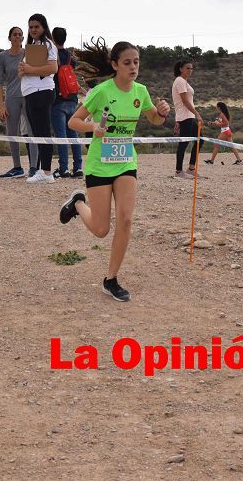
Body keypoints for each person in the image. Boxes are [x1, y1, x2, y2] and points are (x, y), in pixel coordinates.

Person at [60, 41, 171, 302]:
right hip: (99, 164)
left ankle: (111, 279)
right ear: (115, 65)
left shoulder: (141, 91)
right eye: (127, 63)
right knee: (100, 229)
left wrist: (162, 114)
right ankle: (78, 204)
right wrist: (93, 129)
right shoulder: (101, 92)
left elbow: (153, 118)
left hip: (125, 163)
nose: (133, 67)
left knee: (126, 219)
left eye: (136, 62)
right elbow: (73, 121)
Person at [20, 13, 59, 184]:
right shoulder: (32, 45)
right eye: (31, 27)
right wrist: (22, 70)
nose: (33, 30)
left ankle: (47, 172)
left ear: (43, 27)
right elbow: (24, 69)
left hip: (41, 91)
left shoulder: (48, 44)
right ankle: (44, 170)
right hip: (30, 92)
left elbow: (53, 67)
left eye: (36, 26)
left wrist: (28, 69)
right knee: (36, 132)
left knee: (43, 131)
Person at [0, 26, 37, 178]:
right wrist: (0, 104)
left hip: (29, 95)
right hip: (11, 97)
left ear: (23, 38)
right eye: (14, 34)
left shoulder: (29, 53)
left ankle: (33, 168)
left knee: (32, 131)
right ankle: (17, 167)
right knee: (12, 132)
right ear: (9, 37)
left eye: (20, 35)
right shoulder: (2, 56)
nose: (17, 37)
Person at [50, 26, 84, 179]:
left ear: (52, 38)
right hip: (72, 99)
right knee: (73, 134)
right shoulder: (70, 57)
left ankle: (63, 168)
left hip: (58, 99)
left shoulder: (52, 55)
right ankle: (78, 168)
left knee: (61, 136)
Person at [171, 61, 201, 179]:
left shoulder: (184, 82)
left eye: (191, 68)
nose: (190, 70)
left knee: (200, 140)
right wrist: (197, 113)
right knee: (183, 144)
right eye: (187, 68)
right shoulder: (179, 81)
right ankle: (178, 171)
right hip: (186, 117)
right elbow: (183, 101)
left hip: (189, 116)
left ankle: (191, 168)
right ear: (180, 69)